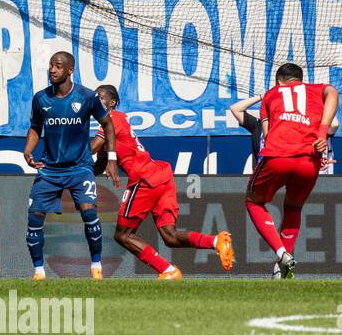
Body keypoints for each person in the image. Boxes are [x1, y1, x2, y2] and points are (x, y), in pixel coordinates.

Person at [90, 84, 234, 280]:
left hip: (144, 178)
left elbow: (91, 147)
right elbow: (98, 165)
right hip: (161, 177)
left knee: (123, 235)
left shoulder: (114, 117)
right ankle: (216, 241)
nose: (95, 101)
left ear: (112, 102)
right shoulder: (109, 132)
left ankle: (167, 270)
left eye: (100, 98)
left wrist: (65, 158)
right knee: (170, 236)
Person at [22, 51, 119, 281]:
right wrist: (27, 150)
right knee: (34, 216)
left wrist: (112, 158)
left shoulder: (86, 97)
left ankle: (96, 267)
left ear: (70, 70)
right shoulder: (41, 98)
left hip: (80, 167)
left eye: (57, 66)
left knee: (89, 212)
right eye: (50, 65)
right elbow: (36, 128)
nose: (52, 70)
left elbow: (108, 124)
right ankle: (38, 272)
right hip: (50, 169)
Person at [244, 63, 339, 279]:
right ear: (300, 79)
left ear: (279, 81)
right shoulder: (317, 89)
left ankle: (281, 253)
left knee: (253, 201)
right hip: (309, 159)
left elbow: (266, 135)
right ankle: (280, 269)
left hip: (278, 155)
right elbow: (333, 92)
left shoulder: (271, 94)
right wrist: (322, 133)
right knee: (294, 208)